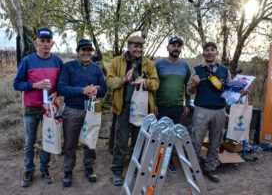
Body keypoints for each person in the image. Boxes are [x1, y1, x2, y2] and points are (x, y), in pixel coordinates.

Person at [13, 28, 63, 187]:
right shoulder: (27, 61)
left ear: (52, 44)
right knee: (30, 141)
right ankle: (28, 170)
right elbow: (17, 84)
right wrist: (35, 85)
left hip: (49, 108)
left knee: (47, 140)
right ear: (36, 43)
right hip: (31, 108)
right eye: (42, 41)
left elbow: (62, 84)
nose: (46, 44)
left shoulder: (57, 62)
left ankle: (44, 169)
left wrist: (57, 92)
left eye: (48, 41)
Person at [106, 36, 159, 186]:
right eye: (135, 46)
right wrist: (123, 79)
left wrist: (144, 82)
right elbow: (109, 81)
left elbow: (155, 83)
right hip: (124, 107)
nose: (138, 49)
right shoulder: (118, 61)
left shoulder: (148, 63)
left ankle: (136, 168)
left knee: (139, 140)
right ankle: (117, 171)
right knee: (121, 141)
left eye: (141, 47)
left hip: (143, 108)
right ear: (129, 47)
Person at [57, 39, 107, 187]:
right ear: (77, 51)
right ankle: (67, 170)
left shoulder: (96, 69)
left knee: (90, 141)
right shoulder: (68, 67)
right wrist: (82, 90)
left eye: (89, 50)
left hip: (92, 110)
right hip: (72, 110)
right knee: (70, 143)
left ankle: (89, 167)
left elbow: (103, 90)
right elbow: (61, 88)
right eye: (83, 50)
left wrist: (96, 92)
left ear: (92, 53)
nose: (86, 53)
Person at [187, 42, 232, 183]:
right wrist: (194, 84)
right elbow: (189, 91)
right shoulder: (197, 70)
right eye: (207, 50)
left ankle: (210, 168)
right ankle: (193, 170)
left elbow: (230, 92)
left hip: (219, 110)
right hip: (201, 110)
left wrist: (240, 93)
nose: (210, 52)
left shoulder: (225, 70)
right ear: (203, 54)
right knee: (196, 141)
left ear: (216, 53)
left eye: (212, 50)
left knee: (215, 142)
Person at [154, 37, 191, 173]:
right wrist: (154, 104)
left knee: (172, 136)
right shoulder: (159, 65)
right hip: (161, 106)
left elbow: (188, 87)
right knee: (160, 135)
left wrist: (187, 104)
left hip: (177, 107)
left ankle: (168, 161)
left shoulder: (185, 66)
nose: (176, 48)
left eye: (178, 46)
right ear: (168, 47)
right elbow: (153, 87)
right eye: (173, 45)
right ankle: (158, 160)